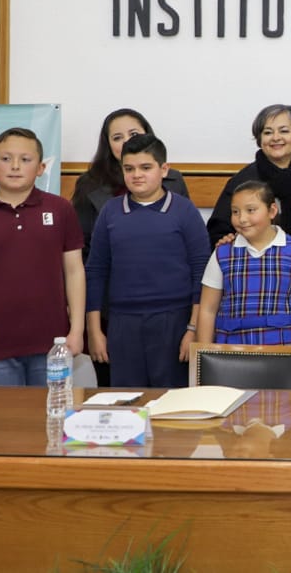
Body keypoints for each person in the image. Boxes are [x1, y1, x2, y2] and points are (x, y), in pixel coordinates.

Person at [0, 128, 85, 385]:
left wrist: (77, 330)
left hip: (53, 346)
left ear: (41, 168)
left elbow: (74, 271)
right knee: (1, 413)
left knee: (50, 412)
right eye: (6, 158)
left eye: (25, 159)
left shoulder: (61, 209)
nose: (15, 166)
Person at [71, 107, 189, 385]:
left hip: (168, 312)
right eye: (117, 137)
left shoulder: (174, 182)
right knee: (117, 391)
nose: (126, 141)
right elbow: (86, 258)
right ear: (107, 144)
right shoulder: (89, 185)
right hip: (111, 310)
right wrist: (92, 324)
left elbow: (189, 252)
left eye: (133, 134)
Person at [196, 180, 291, 346]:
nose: (242, 219)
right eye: (235, 212)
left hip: (283, 349)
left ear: (272, 211)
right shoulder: (222, 253)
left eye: (251, 210)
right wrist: (204, 353)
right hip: (232, 351)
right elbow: (208, 310)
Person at [207, 104, 291, 250]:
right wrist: (226, 240)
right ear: (260, 139)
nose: (276, 138)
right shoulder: (242, 181)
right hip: (257, 262)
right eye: (268, 132)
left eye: (284, 131)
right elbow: (218, 231)